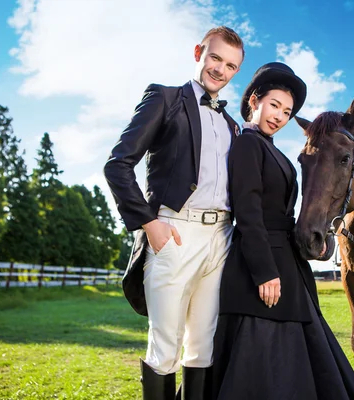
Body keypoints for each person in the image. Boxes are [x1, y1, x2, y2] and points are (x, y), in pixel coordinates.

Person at [103, 26, 244, 400]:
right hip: (174, 233)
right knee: (165, 346)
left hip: (221, 239)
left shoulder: (233, 126)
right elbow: (118, 164)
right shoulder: (164, 99)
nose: (221, 70)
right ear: (199, 52)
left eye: (231, 66)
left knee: (202, 346)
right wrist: (149, 224)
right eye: (215, 58)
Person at [212, 62, 354, 400]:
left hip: (287, 262)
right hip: (262, 267)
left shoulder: (271, 148)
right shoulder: (247, 144)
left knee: (299, 360)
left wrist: (314, 243)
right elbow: (248, 213)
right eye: (274, 106)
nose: (279, 116)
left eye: (287, 111)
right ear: (254, 101)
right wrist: (264, 272)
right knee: (263, 361)